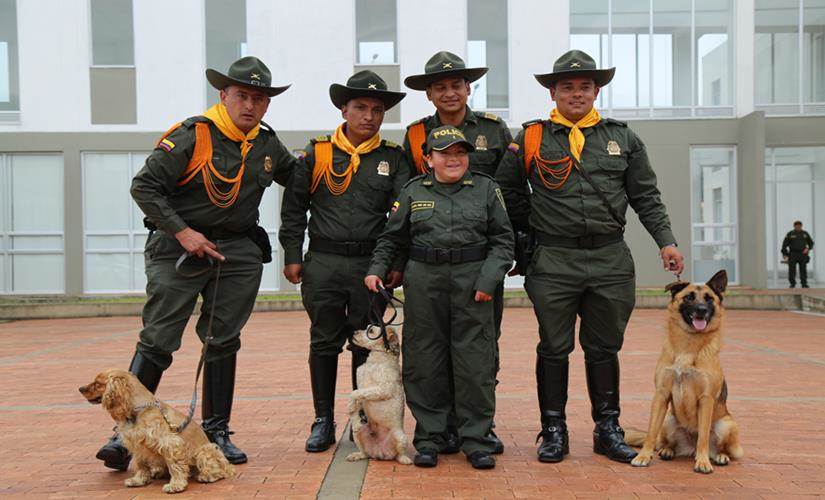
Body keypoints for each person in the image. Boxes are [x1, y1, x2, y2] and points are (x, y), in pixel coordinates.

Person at [96, 56, 298, 470]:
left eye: (259, 99)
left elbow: (301, 179)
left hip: (237, 252)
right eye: (242, 95)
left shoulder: (266, 144)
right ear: (223, 95)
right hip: (180, 249)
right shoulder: (193, 135)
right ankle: (125, 434)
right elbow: (144, 187)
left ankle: (217, 432)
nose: (250, 105)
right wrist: (183, 232)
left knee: (223, 339)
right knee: (158, 340)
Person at [495, 50, 685, 464]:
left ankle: (607, 428)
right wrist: (530, 230)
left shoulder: (624, 139)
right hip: (554, 259)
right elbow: (506, 191)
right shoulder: (530, 138)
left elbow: (645, 196)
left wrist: (666, 241)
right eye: (567, 87)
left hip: (609, 258)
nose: (576, 94)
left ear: (596, 91)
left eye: (585, 86)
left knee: (603, 347)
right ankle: (553, 430)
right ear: (553, 92)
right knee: (553, 347)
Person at [365, 126, 514, 470]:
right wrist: (376, 269)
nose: (454, 159)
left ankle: (475, 441)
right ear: (429, 159)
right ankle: (430, 439)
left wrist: (488, 280)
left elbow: (503, 241)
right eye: (445, 153)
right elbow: (392, 238)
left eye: (460, 153)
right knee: (424, 361)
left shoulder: (487, 189)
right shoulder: (413, 191)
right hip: (425, 282)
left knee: (474, 364)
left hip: (473, 283)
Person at [278, 70, 408, 452]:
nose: (369, 116)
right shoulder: (316, 153)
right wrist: (292, 254)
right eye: (360, 107)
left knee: (366, 342)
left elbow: (402, 216)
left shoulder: (393, 158)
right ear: (344, 110)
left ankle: (361, 420)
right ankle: (323, 420)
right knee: (323, 341)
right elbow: (294, 208)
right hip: (325, 262)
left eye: (377, 109)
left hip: (371, 264)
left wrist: (396, 261)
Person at [401, 50, 513, 454]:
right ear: (429, 94)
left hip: (480, 258)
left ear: (468, 89)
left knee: (480, 349)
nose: (449, 92)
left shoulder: (494, 130)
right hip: (432, 259)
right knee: (431, 351)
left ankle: (478, 427)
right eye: (440, 87)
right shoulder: (416, 134)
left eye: (456, 85)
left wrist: (507, 256)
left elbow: (510, 189)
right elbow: (407, 193)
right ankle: (441, 428)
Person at [782, 220, 814, 288]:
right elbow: (784, 244)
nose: (798, 227)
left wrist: (808, 248)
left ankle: (804, 283)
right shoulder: (790, 234)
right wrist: (785, 254)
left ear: (801, 226)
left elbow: (811, 243)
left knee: (803, 269)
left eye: (799, 225)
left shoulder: (805, 234)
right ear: (794, 226)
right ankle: (792, 283)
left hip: (802, 254)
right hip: (793, 254)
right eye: (796, 225)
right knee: (792, 269)